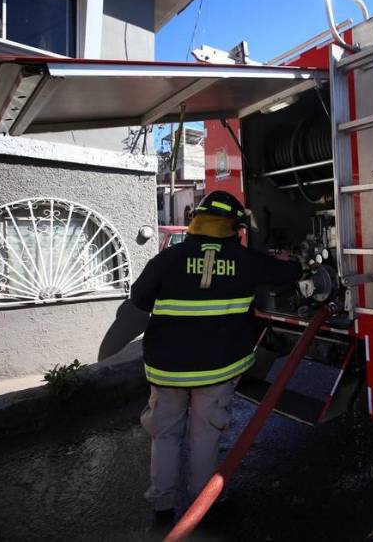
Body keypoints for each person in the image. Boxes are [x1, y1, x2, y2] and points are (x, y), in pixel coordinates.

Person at [130, 190, 303, 527]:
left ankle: (162, 509)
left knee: (164, 436)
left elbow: (139, 299)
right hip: (215, 372)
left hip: (167, 371)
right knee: (205, 437)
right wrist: (294, 262)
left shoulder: (168, 259)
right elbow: (287, 273)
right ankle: (204, 508)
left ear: (197, 221)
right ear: (232, 227)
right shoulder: (246, 260)